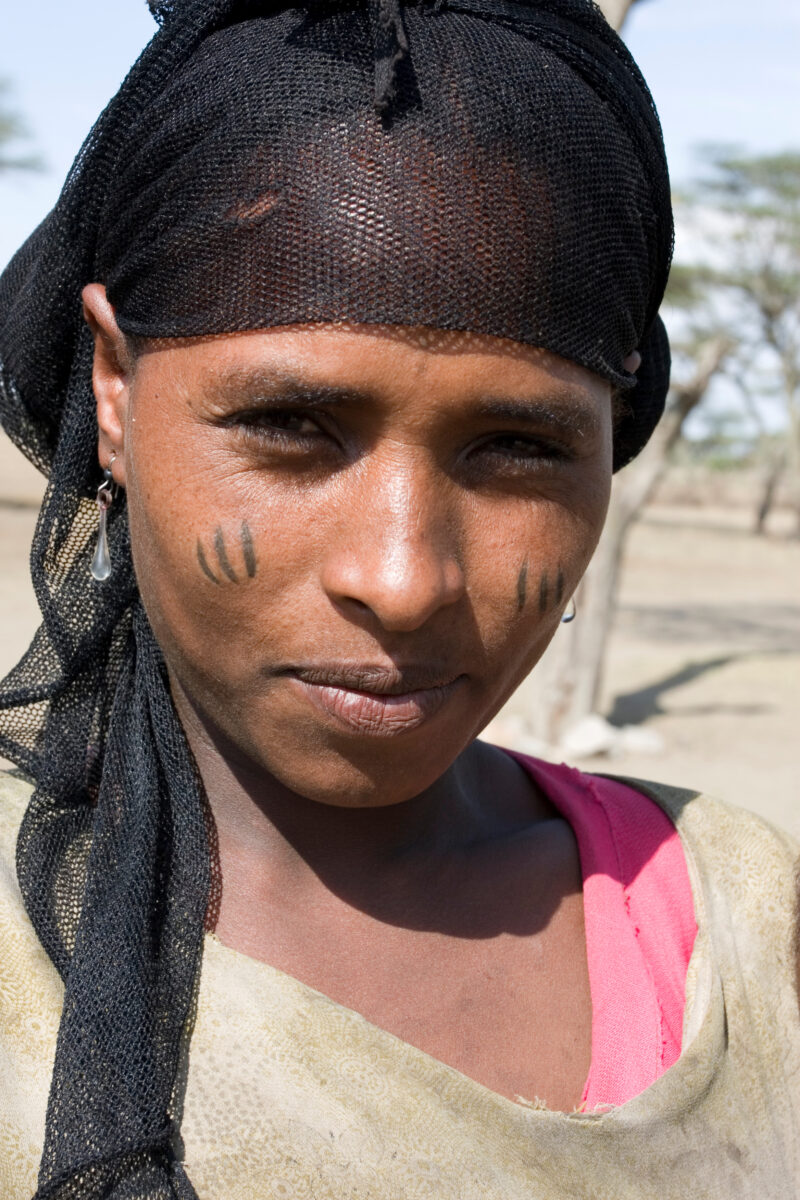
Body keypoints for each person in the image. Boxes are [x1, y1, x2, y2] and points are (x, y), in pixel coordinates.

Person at [0, 1, 797, 1197]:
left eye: (517, 447)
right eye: (288, 426)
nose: (402, 580)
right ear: (115, 387)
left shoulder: (733, 922)